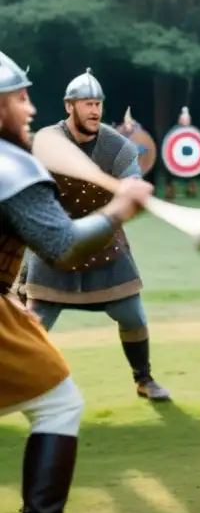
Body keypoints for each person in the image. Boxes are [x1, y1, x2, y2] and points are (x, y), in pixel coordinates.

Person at [0, 50, 153, 513]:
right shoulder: (10, 161)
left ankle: (145, 376)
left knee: (124, 318)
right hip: (31, 277)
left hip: (69, 272)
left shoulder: (110, 144)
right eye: (18, 97)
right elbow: (61, 243)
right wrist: (120, 208)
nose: (27, 107)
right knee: (59, 402)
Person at [20, 68, 171, 401]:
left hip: (105, 246)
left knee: (133, 316)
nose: (94, 110)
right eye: (86, 103)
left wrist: (133, 191)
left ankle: (144, 379)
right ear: (69, 106)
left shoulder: (116, 146)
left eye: (98, 103)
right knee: (33, 326)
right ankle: (20, 386)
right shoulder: (48, 142)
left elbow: (131, 180)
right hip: (54, 247)